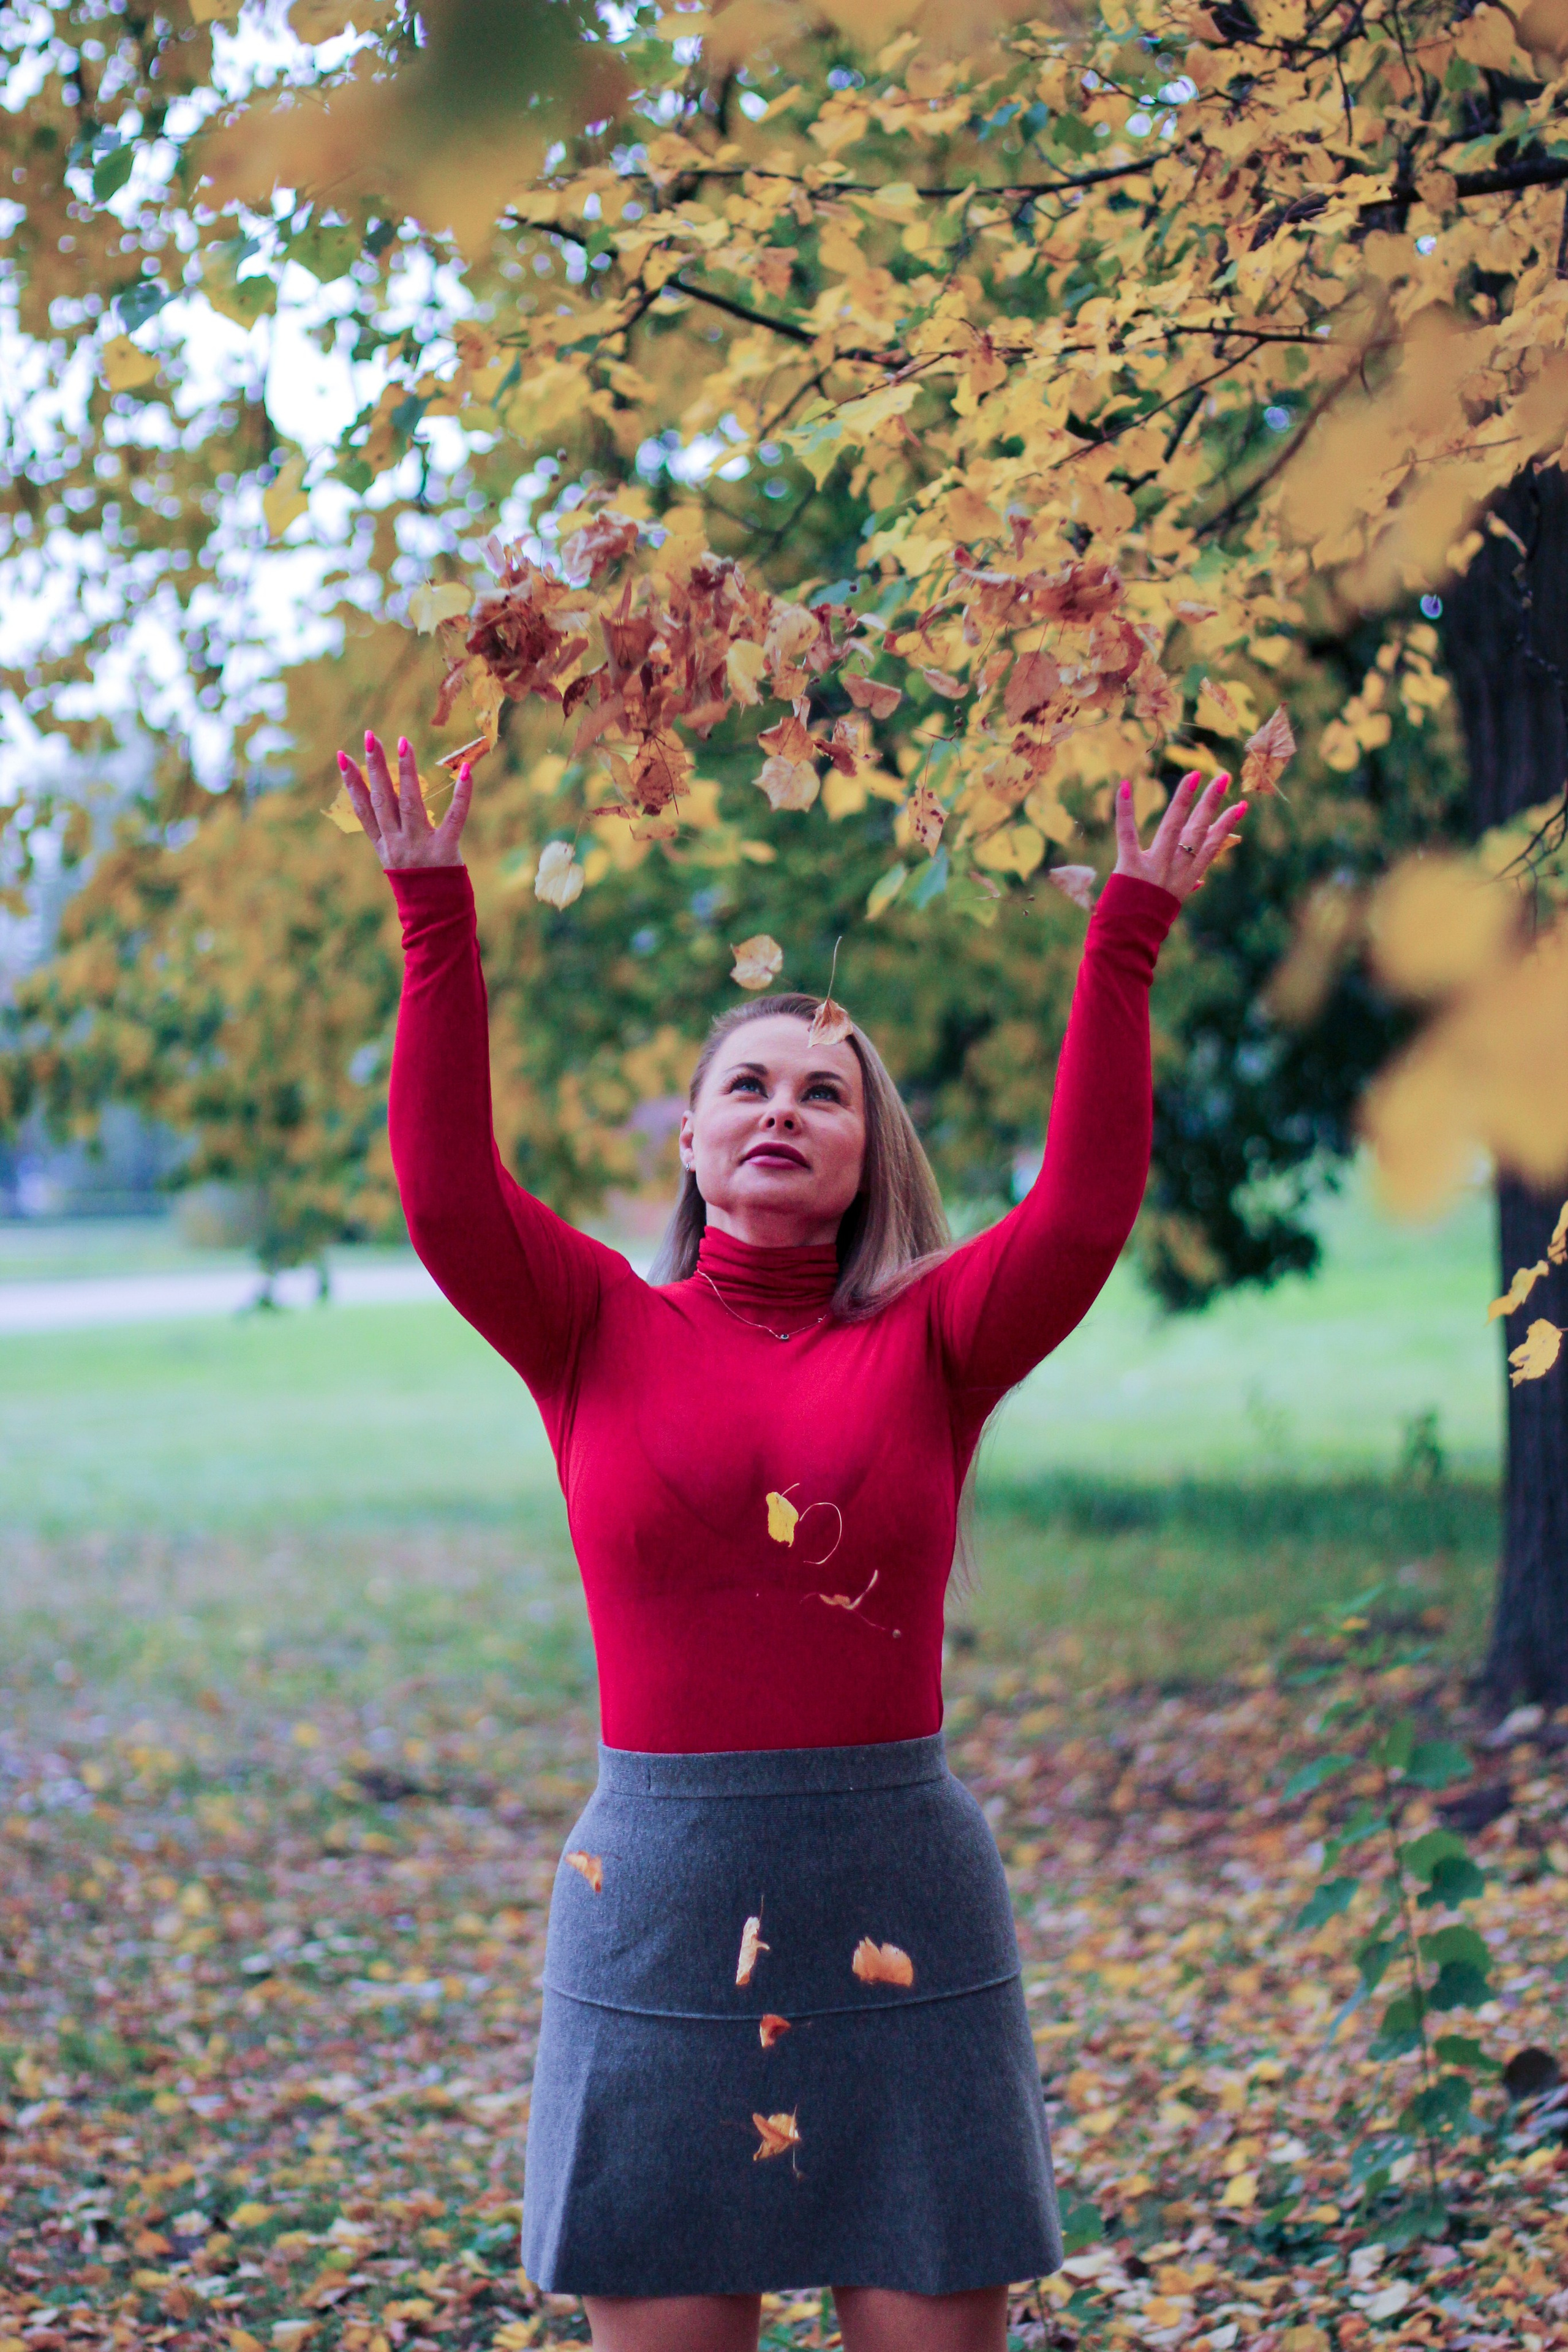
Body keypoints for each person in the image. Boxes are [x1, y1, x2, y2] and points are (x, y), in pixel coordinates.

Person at [337, 730, 1245, 2352]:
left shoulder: (938, 1340)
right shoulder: (588, 1328)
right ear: (688, 1143)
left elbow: (1089, 1212)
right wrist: (432, 915)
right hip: (661, 1906)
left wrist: (1127, 935)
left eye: (823, 1090)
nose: (781, 1109)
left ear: (866, 1152)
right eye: (743, 1086)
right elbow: (446, 1191)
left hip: (902, 1897)